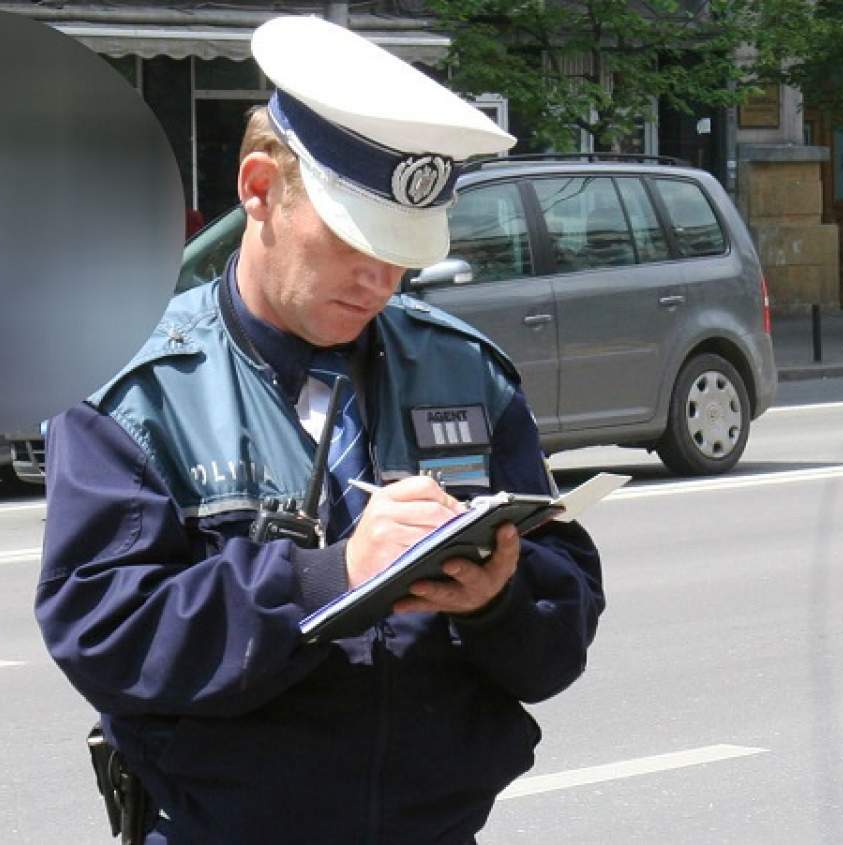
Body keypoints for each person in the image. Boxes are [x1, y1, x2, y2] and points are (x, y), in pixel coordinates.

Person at [36, 16, 605, 845]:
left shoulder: (466, 373)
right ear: (261, 189)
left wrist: (500, 601)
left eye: (403, 253)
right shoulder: (134, 389)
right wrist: (328, 577)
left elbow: (561, 632)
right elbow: (106, 630)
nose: (381, 280)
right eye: (354, 242)